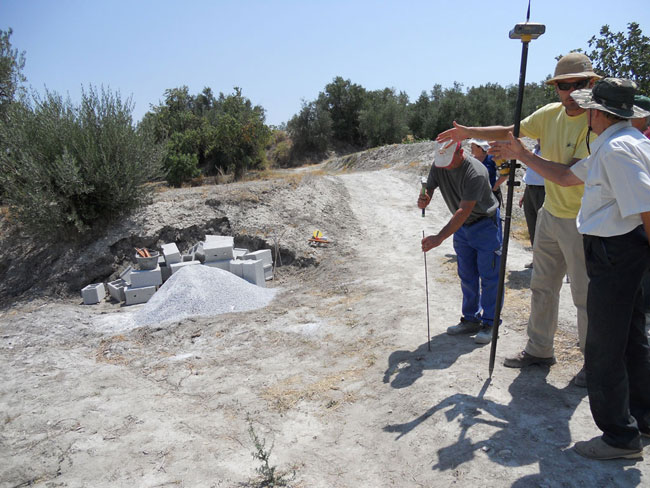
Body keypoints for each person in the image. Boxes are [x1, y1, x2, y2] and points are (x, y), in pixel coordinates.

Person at [489, 77, 650, 461]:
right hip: (619, 252)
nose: (584, 113)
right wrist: (522, 154)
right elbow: (563, 176)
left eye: (589, 107)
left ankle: (619, 438)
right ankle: (643, 417)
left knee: (604, 347)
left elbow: (646, 208)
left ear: (598, 112)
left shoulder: (618, 150)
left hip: (616, 253)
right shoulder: (620, 142)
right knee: (630, 339)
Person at [437, 53, 601, 386]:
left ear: (591, 84)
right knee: (542, 287)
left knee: (584, 296)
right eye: (563, 86)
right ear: (556, 88)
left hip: (584, 221)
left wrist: (521, 155)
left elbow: (570, 176)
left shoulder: (598, 124)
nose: (570, 92)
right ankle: (539, 350)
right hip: (551, 215)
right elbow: (511, 130)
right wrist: (468, 131)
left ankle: (593, 363)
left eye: (578, 84)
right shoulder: (550, 115)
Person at [418, 142, 502, 345]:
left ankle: (490, 323)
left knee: (490, 276)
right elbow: (430, 185)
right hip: (462, 228)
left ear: (460, 152)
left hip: (485, 224)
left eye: (448, 162)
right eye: (441, 162)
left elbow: (463, 211)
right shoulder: (440, 163)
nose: (444, 166)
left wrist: (439, 237)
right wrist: (425, 197)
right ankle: (470, 319)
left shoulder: (476, 172)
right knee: (466, 274)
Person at [519, 142, 545, 260]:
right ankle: (536, 259)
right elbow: (531, 173)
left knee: (543, 227)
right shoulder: (536, 149)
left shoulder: (550, 149)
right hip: (530, 189)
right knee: (532, 225)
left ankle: (544, 260)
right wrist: (525, 194)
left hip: (543, 190)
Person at [469, 139, 508, 206]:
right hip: (475, 195)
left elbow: (505, 174)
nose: (471, 147)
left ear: (480, 147)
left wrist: (495, 187)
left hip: (490, 195)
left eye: (473, 145)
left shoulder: (493, 158)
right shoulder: (471, 160)